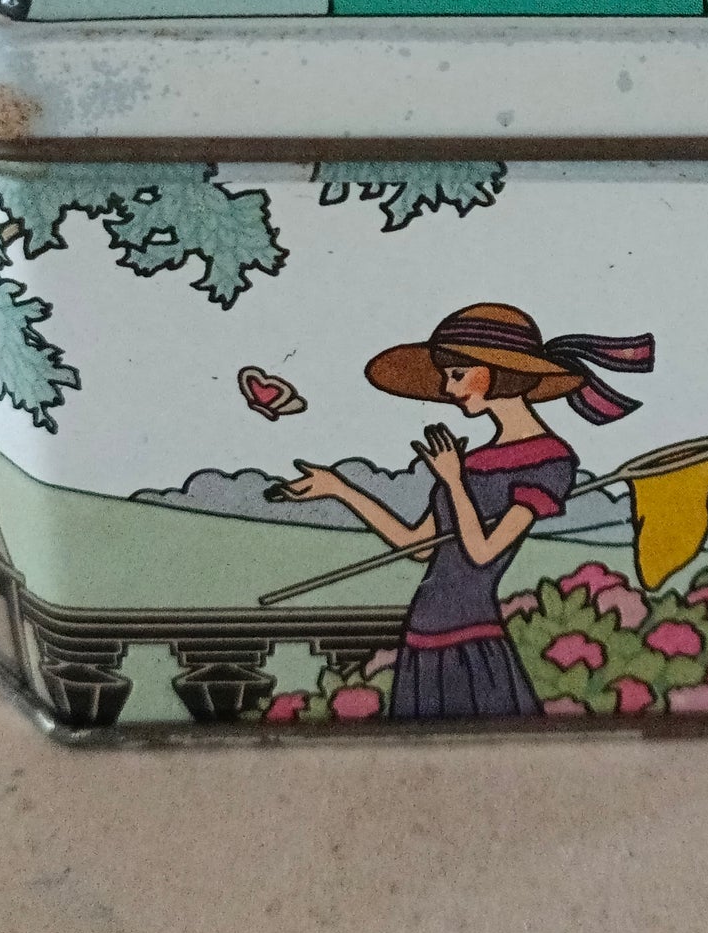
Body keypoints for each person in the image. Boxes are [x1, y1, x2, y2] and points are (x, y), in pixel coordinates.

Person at [276, 303, 653, 719]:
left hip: (470, 636)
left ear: (497, 370)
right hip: (422, 632)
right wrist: (340, 489)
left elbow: (482, 553)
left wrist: (454, 482)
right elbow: (419, 546)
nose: (448, 388)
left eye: (457, 374)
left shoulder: (548, 461)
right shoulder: (469, 461)